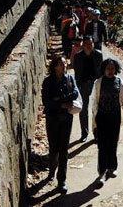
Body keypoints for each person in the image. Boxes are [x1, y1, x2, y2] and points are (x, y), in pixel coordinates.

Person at [41, 55, 80, 195]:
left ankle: (61, 180)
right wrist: (61, 104)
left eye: (65, 64)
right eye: (61, 64)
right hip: (52, 119)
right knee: (54, 148)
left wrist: (60, 100)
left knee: (64, 150)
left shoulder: (69, 79)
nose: (64, 66)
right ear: (55, 66)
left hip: (66, 119)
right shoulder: (48, 82)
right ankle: (51, 172)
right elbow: (46, 101)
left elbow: (75, 94)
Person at [91, 57, 123, 187]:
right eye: (108, 68)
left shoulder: (120, 83)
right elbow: (94, 102)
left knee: (113, 143)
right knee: (102, 146)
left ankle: (112, 168)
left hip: (114, 117)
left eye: (112, 68)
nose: (110, 70)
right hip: (102, 117)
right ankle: (101, 173)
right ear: (104, 69)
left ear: (116, 69)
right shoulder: (98, 83)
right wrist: (94, 121)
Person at [73, 36, 103, 141]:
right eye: (86, 44)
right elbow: (77, 72)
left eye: (90, 44)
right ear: (82, 45)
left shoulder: (98, 55)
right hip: (83, 84)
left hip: (95, 83)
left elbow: (101, 71)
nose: (88, 46)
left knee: (96, 109)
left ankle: (96, 134)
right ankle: (84, 134)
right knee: (83, 109)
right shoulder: (78, 57)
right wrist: (77, 86)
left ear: (93, 45)